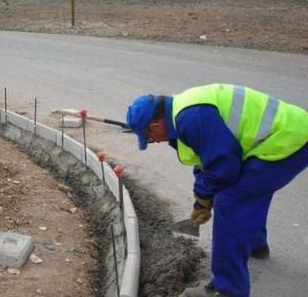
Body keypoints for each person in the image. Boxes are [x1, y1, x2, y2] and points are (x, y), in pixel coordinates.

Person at [125, 83, 308, 297]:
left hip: (289, 140)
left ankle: (228, 289)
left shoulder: (191, 118)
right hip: (291, 131)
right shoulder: (182, 111)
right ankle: (256, 245)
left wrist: (204, 198)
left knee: (231, 200)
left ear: (155, 126)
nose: (153, 142)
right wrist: (201, 193)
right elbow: (206, 157)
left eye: (148, 137)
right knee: (252, 189)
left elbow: (225, 166)